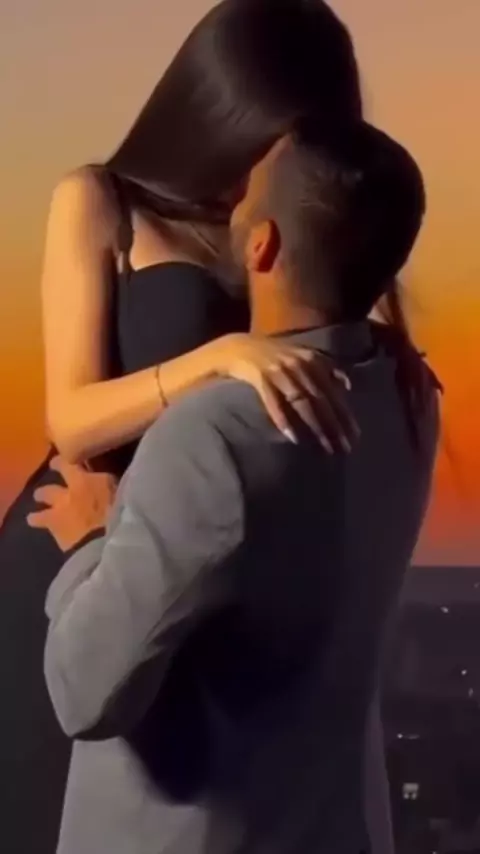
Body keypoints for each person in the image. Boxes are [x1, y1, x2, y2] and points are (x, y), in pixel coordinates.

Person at [0, 3, 388, 853]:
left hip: (195, 570)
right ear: (223, 105)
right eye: (283, 132)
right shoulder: (100, 199)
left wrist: (382, 357)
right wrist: (218, 359)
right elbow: (72, 420)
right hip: (74, 541)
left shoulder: (277, 230)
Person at [43, 120, 440, 854]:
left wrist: (93, 542)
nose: (231, 196)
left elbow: (84, 692)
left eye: (249, 188)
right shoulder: (409, 398)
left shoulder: (214, 434)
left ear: (263, 246)